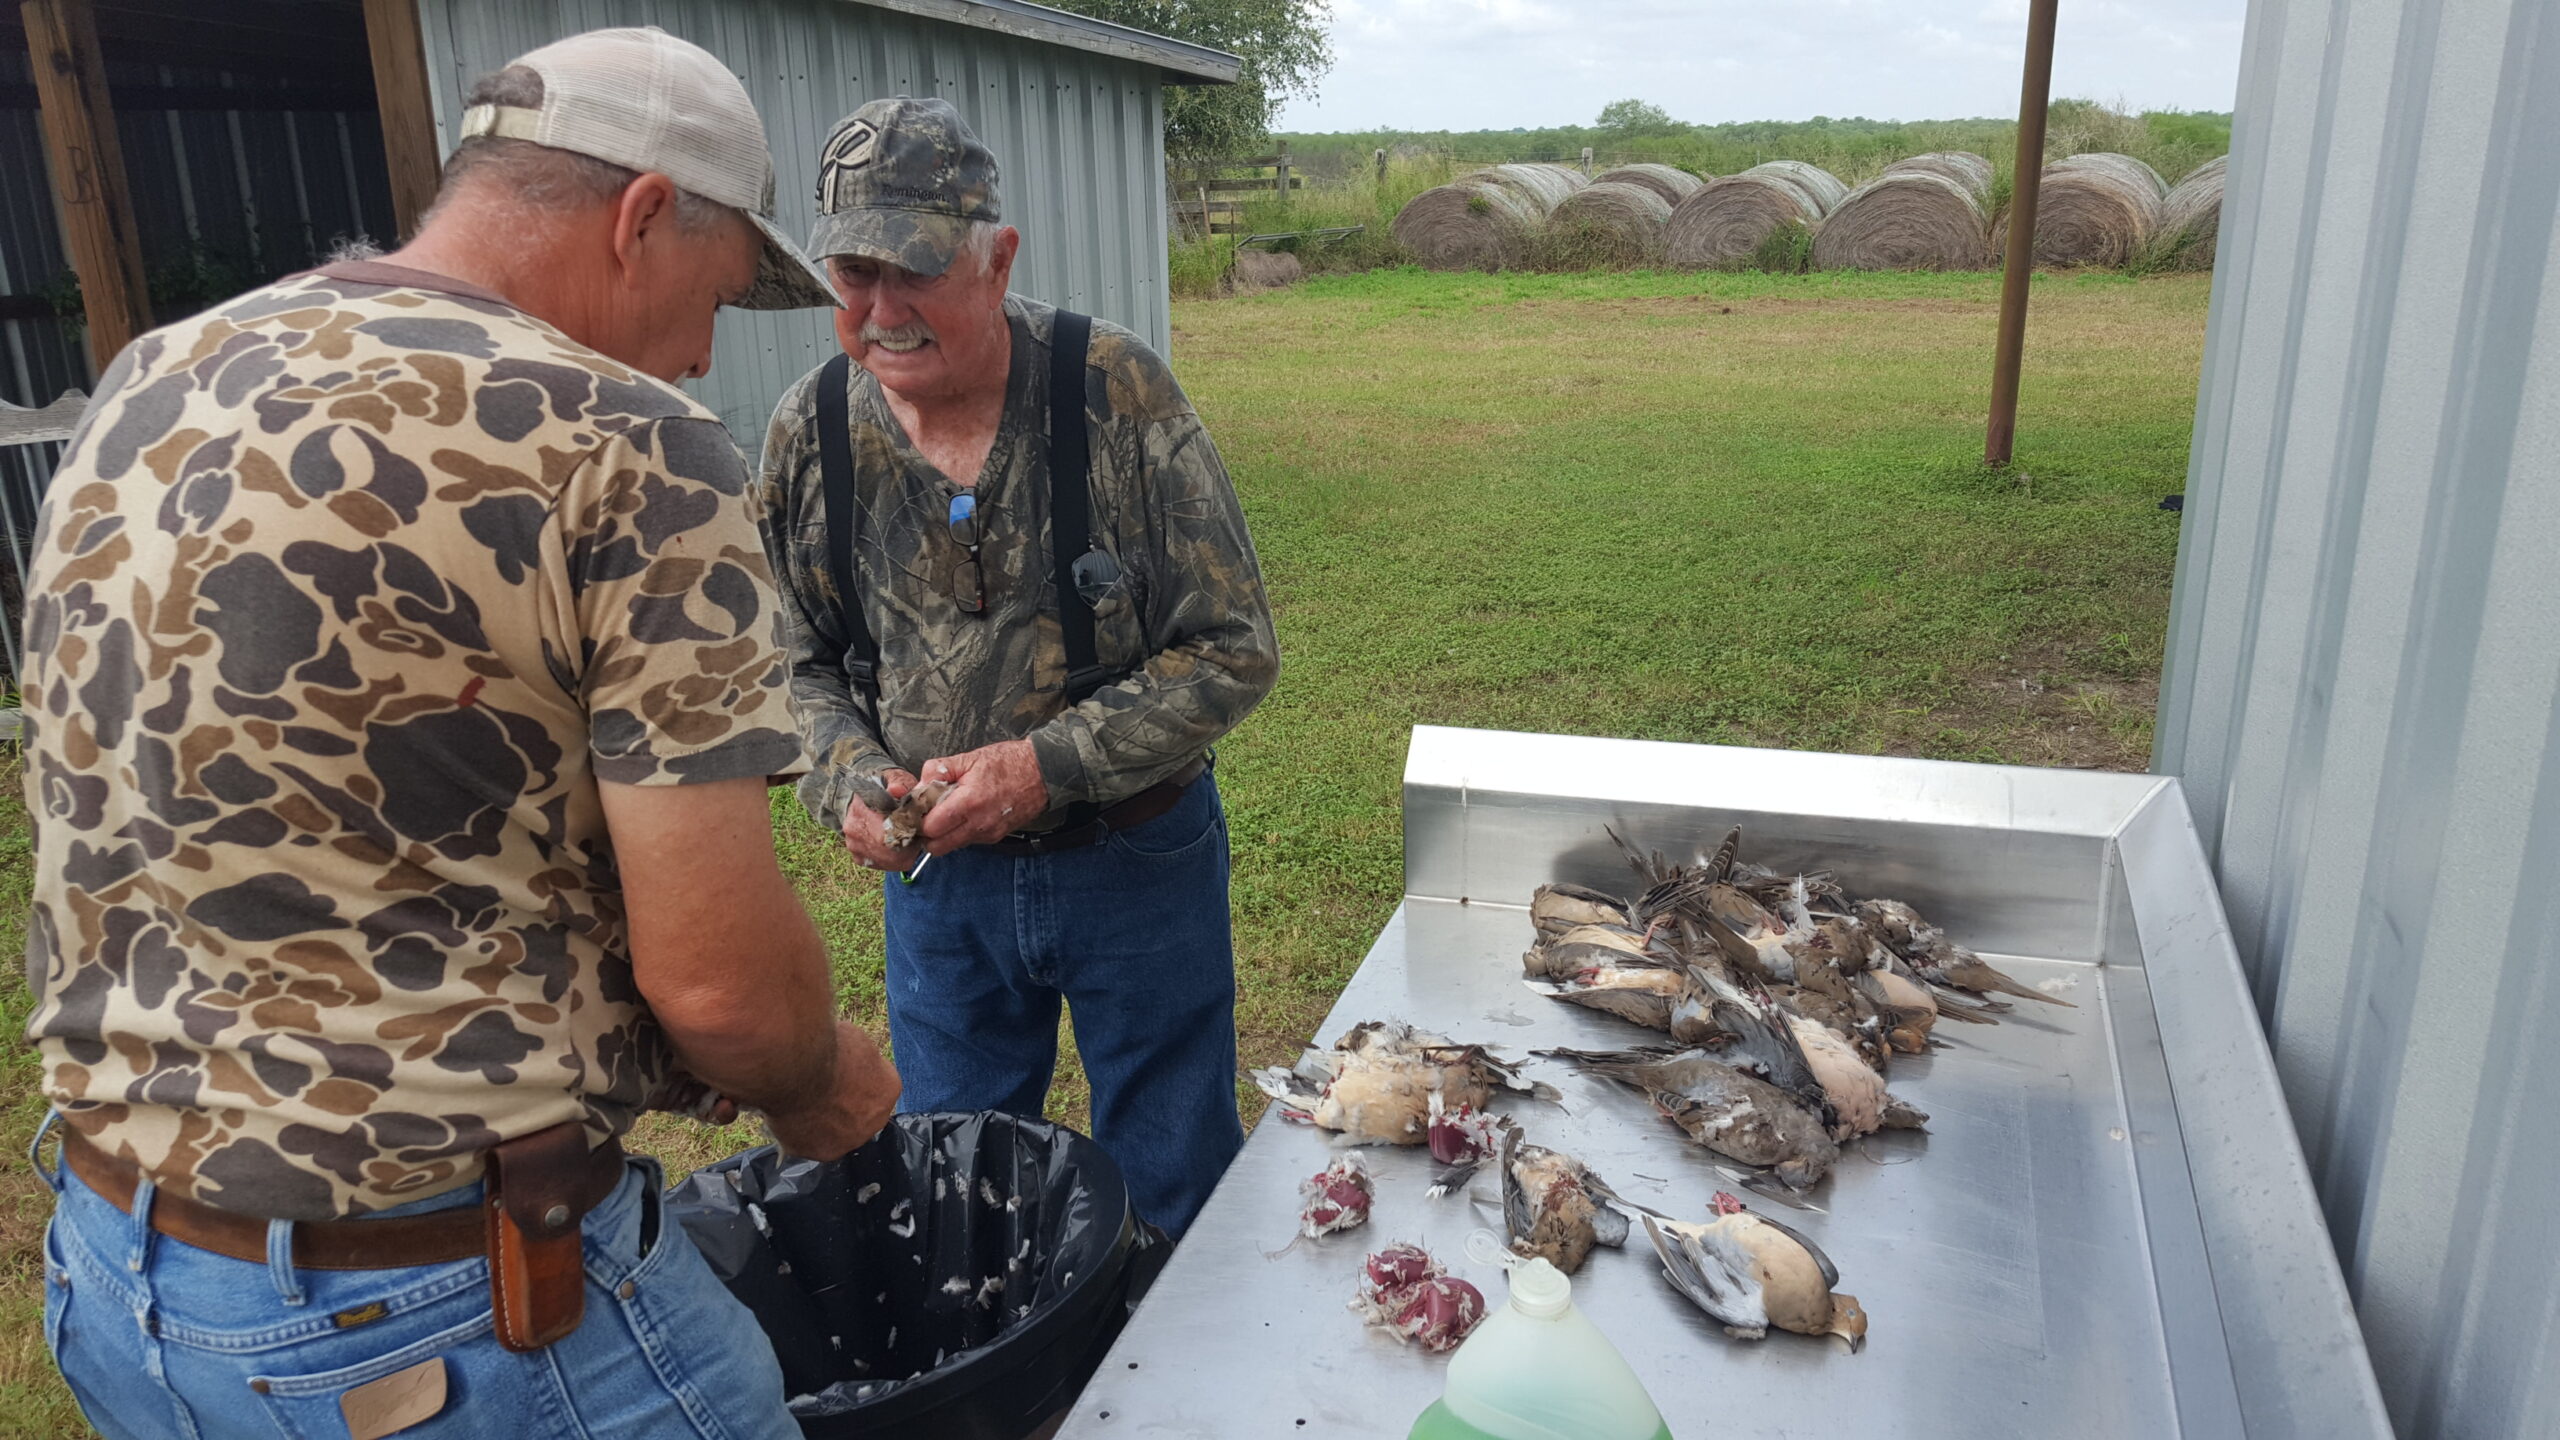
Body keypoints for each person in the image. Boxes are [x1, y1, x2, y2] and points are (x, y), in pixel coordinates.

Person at [18, 28, 895, 1440]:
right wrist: (827, 1086)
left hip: (124, 1276)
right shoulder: (628, 440)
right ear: (644, 214)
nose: (699, 350)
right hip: (437, 1322)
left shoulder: (149, 379)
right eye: (716, 297)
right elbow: (724, 993)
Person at [757, 98, 1279, 1238]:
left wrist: (1043, 768)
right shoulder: (812, 429)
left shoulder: (1115, 392)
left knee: (1173, 1170)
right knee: (960, 1184)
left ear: (997, 262)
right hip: (941, 894)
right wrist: (849, 781)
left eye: (917, 271)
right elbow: (788, 665)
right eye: (852, 274)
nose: (882, 312)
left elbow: (1233, 650)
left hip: (1133, 854)